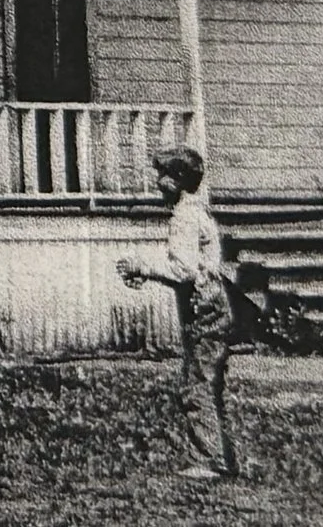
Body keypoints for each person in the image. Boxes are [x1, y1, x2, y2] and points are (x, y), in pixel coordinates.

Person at [119, 144, 240, 481]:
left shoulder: (184, 218)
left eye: (165, 177)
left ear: (180, 181)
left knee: (196, 385)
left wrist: (142, 267)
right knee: (205, 383)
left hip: (205, 309)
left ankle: (209, 460)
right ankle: (221, 456)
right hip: (211, 306)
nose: (159, 183)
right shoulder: (195, 211)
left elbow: (183, 270)